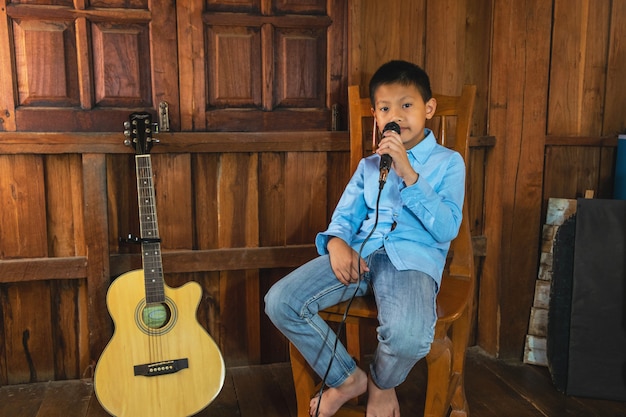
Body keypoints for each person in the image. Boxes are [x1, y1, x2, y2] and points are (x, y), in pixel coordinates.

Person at [264, 60, 465, 417]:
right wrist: (336, 243)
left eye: (407, 105)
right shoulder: (369, 166)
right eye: (386, 108)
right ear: (375, 115)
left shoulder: (449, 163)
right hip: (361, 255)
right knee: (281, 301)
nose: (397, 116)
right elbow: (344, 218)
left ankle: (381, 384)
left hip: (412, 263)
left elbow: (447, 227)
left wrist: (408, 171)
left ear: (428, 109)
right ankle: (347, 379)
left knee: (408, 337)